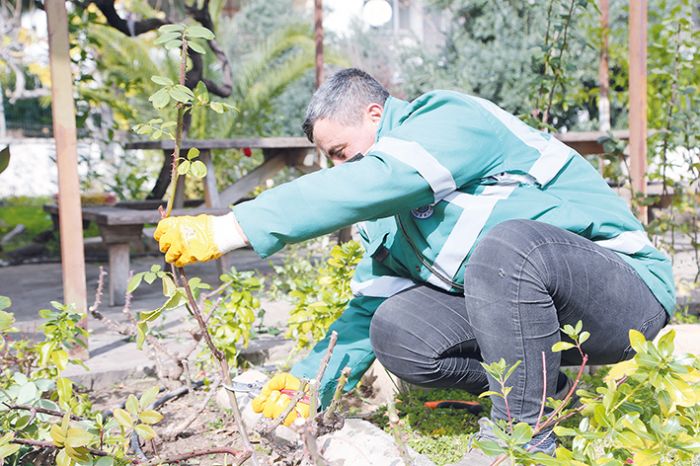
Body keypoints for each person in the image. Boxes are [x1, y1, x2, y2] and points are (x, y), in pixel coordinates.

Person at [154, 68, 675, 462]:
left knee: (508, 245)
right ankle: (552, 392)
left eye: (340, 151)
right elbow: (364, 313)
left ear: (376, 117)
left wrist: (235, 227)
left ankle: (519, 437)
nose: (340, 168)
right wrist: (308, 383)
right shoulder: (391, 220)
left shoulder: (449, 122)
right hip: (545, 319)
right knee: (397, 326)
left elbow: (377, 180)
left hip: (624, 297)